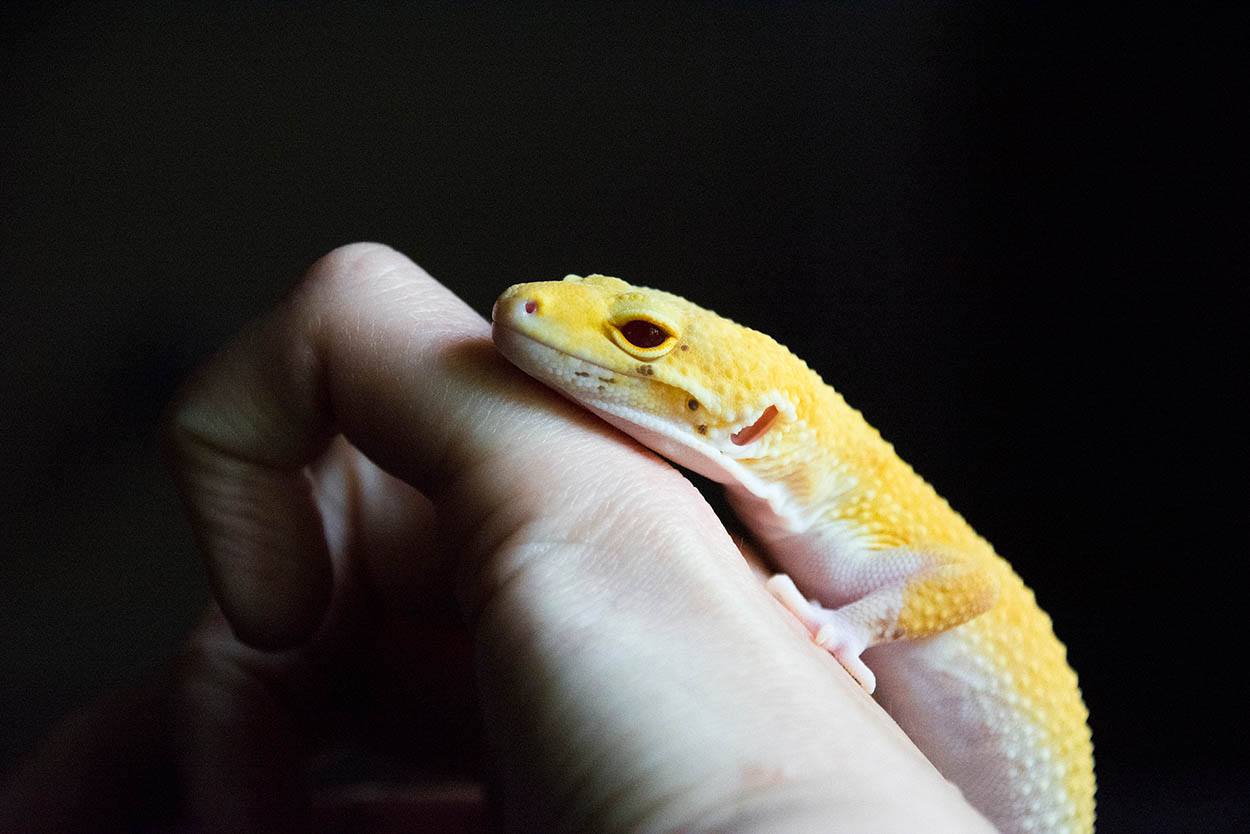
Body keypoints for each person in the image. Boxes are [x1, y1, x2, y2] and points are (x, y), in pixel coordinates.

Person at [0, 244, 990, 833]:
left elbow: (969, 588)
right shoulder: (791, 516)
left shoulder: (869, 523)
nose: (527, 308)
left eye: (637, 338)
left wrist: (845, 637)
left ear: (758, 424)